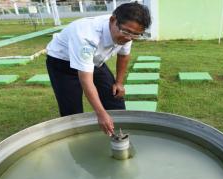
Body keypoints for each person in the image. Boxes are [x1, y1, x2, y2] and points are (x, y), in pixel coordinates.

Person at [45, 2, 151, 136]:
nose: (129, 38)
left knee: (114, 96)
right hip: (62, 62)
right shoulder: (87, 36)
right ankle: (76, 141)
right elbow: (86, 80)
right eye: (126, 32)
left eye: (135, 35)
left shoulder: (127, 29)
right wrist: (100, 113)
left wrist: (118, 82)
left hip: (94, 61)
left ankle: (119, 135)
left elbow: (124, 55)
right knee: (72, 110)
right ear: (113, 21)